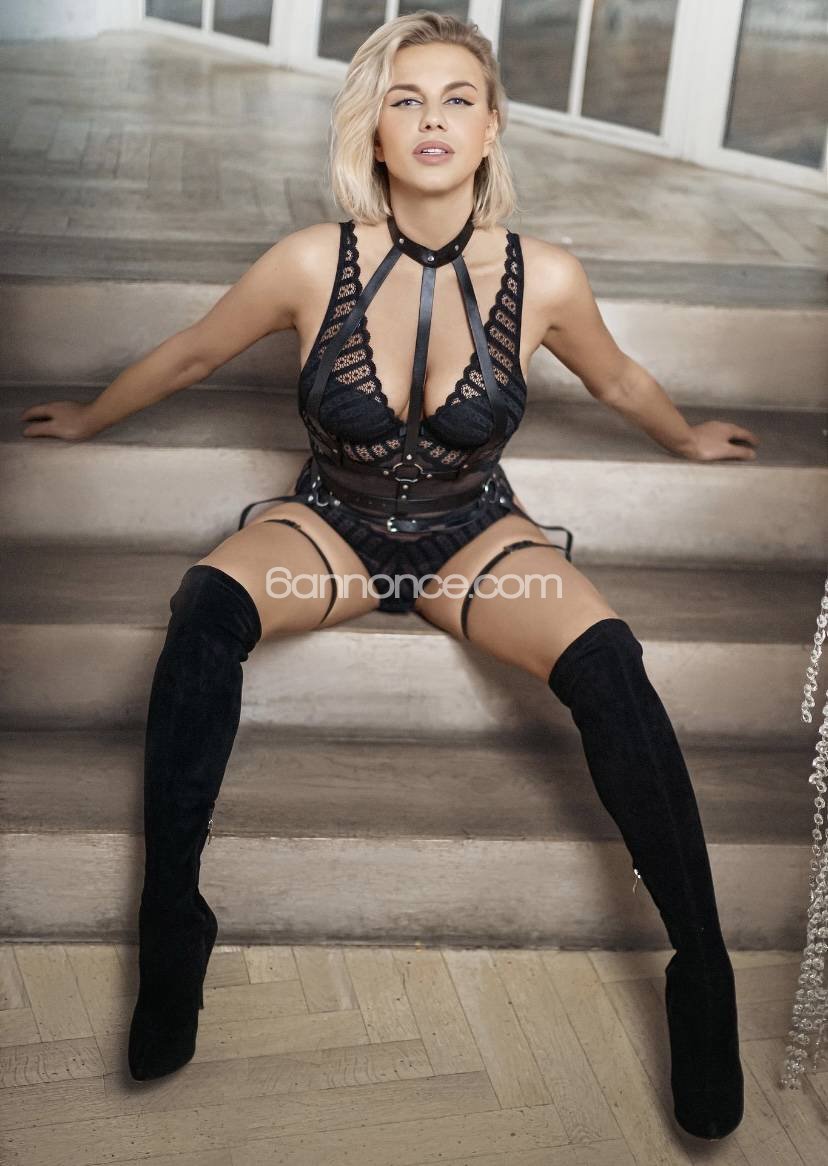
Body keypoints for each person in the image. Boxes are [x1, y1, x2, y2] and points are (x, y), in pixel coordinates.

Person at [19, 10, 760, 1142]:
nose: (431, 119)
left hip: (474, 543)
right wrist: (88, 416)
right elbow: (195, 351)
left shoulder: (544, 275)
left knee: (612, 662)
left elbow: (617, 379)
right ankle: (173, 923)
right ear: (374, 129)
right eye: (405, 99)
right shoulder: (311, 261)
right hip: (332, 530)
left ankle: (702, 968)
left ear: (492, 126)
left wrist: (685, 437)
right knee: (204, 610)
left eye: (458, 98)